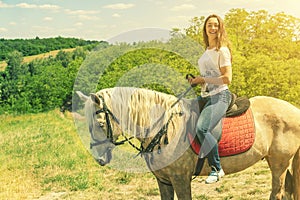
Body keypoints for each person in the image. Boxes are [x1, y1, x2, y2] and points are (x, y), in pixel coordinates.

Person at [187, 14, 232, 184]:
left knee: (202, 128)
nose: (212, 28)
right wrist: (196, 81)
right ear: (205, 29)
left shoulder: (223, 50)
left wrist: (203, 80)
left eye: (215, 25)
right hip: (205, 95)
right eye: (209, 25)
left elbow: (227, 78)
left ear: (220, 28)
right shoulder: (207, 51)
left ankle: (216, 168)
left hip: (220, 95)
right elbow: (208, 75)